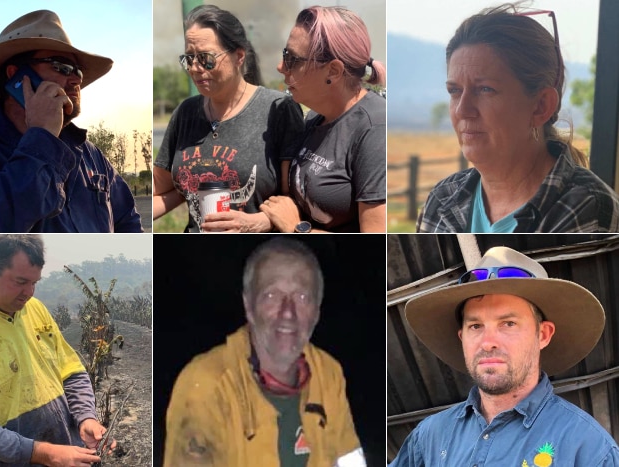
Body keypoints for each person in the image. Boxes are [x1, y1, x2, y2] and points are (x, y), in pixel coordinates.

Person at [390, 246, 619, 465]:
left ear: (543, 334)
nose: (488, 342)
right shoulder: (430, 436)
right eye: (475, 326)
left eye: (508, 323)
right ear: (462, 337)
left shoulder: (590, 450)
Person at [0, 10, 143, 233]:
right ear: (17, 76)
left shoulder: (91, 154)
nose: (77, 79)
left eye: (78, 71)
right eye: (62, 67)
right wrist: (42, 138)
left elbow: (127, 221)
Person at [163, 237, 365, 466]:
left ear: (316, 311)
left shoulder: (329, 372)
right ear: (248, 306)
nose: (288, 313)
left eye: (302, 297)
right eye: (272, 295)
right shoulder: (205, 383)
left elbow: (349, 456)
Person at [417, 5, 619, 233]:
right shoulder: (442, 200)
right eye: (454, 91)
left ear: (541, 106)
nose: (463, 110)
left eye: (485, 89)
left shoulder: (586, 209)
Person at [0, 235, 116, 466]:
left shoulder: (33, 308)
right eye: (21, 281)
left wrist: (86, 419)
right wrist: (45, 453)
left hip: (68, 456)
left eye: (35, 283)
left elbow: (71, 372)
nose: (29, 292)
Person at [153, 4, 305, 233]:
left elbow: (297, 200)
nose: (195, 68)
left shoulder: (279, 110)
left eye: (206, 59)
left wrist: (260, 222)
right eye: (188, 59)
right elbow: (161, 189)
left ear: (239, 56)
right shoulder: (185, 113)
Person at [260, 6, 387, 233]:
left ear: (333, 71)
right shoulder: (317, 117)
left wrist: (296, 228)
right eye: (284, 54)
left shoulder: (375, 130)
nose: (281, 67)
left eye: (292, 59)